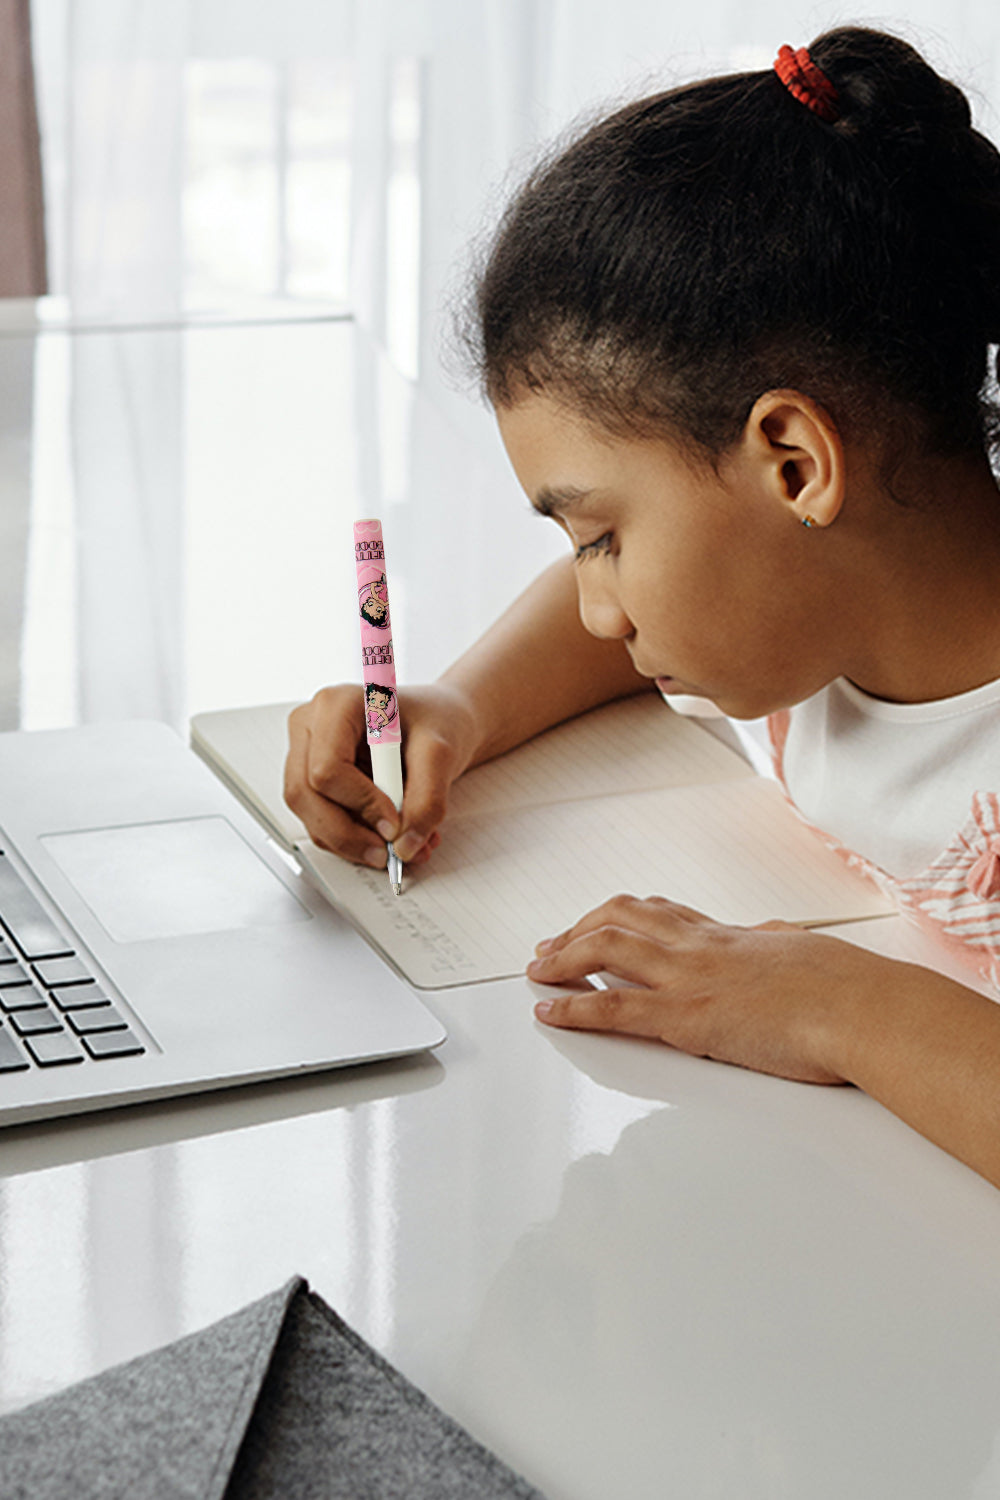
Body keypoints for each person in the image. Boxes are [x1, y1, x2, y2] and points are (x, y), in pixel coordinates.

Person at [285, 27, 1000, 1187]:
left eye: (603, 539)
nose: (601, 609)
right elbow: (605, 630)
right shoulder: (819, 599)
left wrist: (838, 1006)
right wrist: (460, 708)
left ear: (793, 464)